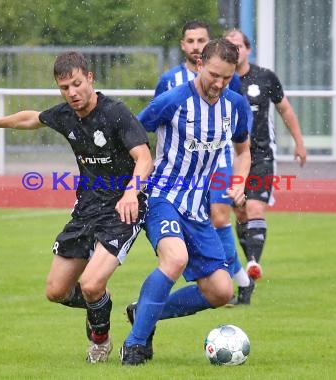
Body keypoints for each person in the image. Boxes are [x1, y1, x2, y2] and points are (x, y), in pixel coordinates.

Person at [0, 51, 153, 363]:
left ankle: (100, 341)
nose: (72, 93)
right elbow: (33, 117)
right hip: (86, 211)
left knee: (91, 283)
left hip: (123, 210)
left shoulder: (116, 113)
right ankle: (101, 304)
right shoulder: (66, 115)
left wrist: (130, 194)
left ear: (90, 78)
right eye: (64, 88)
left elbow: (144, 157)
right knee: (56, 291)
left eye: (77, 84)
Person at [120, 39, 252, 365]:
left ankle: (143, 313)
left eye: (226, 77)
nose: (219, 84)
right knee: (175, 259)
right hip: (162, 197)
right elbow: (131, 135)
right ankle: (135, 345)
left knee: (221, 291)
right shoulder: (174, 100)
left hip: (197, 208)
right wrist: (129, 185)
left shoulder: (235, 106)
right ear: (199, 65)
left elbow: (243, 150)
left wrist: (237, 184)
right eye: (214, 75)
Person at [154, 20, 253, 307]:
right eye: (190, 41)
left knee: (221, 216)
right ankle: (232, 275)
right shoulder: (169, 81)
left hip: (219, 159)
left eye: (201, 40)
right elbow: (155, 123)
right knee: (201, 219)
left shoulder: (226, 77)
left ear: (209, 45)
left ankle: (239, 280)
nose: (196, 46)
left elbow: (235, 116)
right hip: (181, 168)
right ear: (183, 46)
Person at [223, 29, 307, 305]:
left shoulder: (265, 78)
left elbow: (285, 110)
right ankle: (249, 266)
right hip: (232, 156)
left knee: (255, 207)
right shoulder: (220, 80)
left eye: (239, 46)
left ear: (248, 49)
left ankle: (253, 263)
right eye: (230, 47)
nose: (235, 51)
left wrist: (299, 142)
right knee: (239, 211)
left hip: (260, 156)